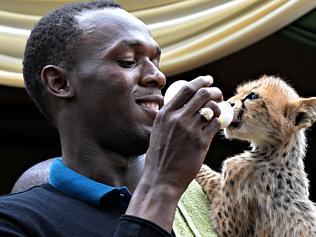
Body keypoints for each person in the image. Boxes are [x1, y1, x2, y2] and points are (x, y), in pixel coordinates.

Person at [0, 1, 223, 236]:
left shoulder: (208, 199)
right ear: (60, 83)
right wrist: (162, 186)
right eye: (128, 61)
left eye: (156, 62)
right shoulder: (15, 222)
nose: (157, 76)